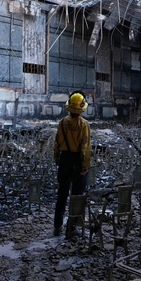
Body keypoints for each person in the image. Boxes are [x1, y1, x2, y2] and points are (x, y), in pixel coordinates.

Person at [53, 91, 91, 237]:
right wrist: (85, 165)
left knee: (62, 194)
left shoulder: (62, 123)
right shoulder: (84, 124)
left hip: (64, 159)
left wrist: (58, 159)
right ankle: (72, 227)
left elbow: (56, 143)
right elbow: (85, 147)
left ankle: (57, 226)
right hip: (77, 161)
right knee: (77, 195)